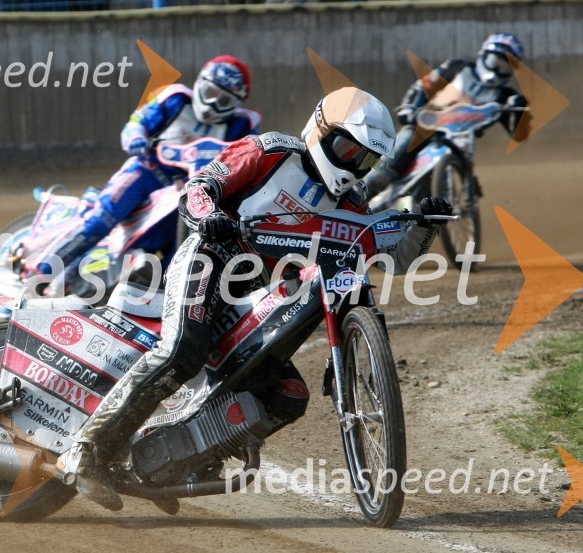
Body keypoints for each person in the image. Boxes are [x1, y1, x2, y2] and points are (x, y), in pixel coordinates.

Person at [57, 87, 453, 512]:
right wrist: (211, 218)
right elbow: (198, 187)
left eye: (366, 160)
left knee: (288, 395)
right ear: (321, 130)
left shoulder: (353, 203)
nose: (354, 166)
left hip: (258, 294)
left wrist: (421, 227)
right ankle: (85, 450)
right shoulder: (270, 151)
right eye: (347, 150)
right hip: (211, 258)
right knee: (181, 352)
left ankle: (185, 462)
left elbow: (391, 260)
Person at [32, 55, 261, 280]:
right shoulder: (175, 98)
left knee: (194, 243)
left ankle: (163, 292)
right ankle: (40, 272)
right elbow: (137, 122)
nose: (213, 104)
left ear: (237, 103)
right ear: (200, 84)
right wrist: (136, 138)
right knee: (101, 220)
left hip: (191, 191)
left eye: (223, 100)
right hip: (148, 171)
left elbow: (252, 157)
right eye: (211, 93)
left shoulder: (243, 125)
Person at [365, 33, 529, 196]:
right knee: (384, 169)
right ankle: (362, 192)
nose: (497, 69)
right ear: (483, 56)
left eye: (505, 66)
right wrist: (409, 109)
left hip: (461, 143)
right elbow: (424, 85)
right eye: (494, 61)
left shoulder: (505, 96)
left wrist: (519, 110)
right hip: (424, 127)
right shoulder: (457, 68)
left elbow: (519, 134)